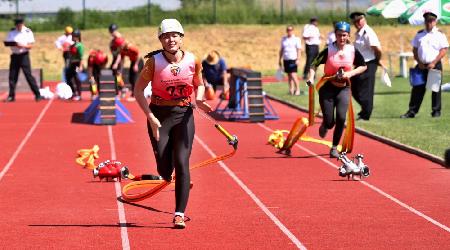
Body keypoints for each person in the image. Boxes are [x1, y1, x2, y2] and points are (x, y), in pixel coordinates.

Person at [134, 19, 212, 229]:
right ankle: (167, 174)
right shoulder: (153, 62)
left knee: (181, 162)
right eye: (166, 36)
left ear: (181, 37)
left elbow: (199, 84)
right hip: (159, 116)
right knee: (164, 168)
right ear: (160, 39)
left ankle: (179, 213)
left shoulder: (192, 60)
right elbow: (138, 91)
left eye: (174, 35)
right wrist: (150, 116)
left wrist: (201, 99)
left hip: (184, 115)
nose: (171, 39)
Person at [306, 21, 367, 158]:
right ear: (335, 35)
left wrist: (350, 74)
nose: (342, 38)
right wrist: (311, 77)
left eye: (344, 35)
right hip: (327, 88)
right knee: (330, 121)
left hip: (343, 88)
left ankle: (334, 148)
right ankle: (325, 124)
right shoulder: (328, 50)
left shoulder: (352, 50)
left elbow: (363, 66)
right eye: (339, 35)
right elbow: (313, 64)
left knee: (341, 118)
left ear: (348, 35)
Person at [401, 11, 448, 118]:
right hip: (421, 65)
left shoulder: (440, 34)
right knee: (417, 89)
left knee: (435, 89)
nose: (429, 23)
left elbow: (444, 50)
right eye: (427, 21)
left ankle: (436, 111)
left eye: (431, 21)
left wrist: (434, 62)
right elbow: (415, 50)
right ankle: (412, 111)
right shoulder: (419, 34)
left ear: (435, 22)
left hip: (434, 65)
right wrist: (419, 62)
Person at [349, 12, 382, 121]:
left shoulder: (368, 32)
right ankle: (365, 109)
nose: (357, 23)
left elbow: (377, 49)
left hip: (369, 63)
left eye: (359, 20)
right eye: (355, 22)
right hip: (360, 64)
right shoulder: (359, 33)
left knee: (366, 90)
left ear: (364, 19)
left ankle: (366, 114)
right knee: (353, 87)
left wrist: (377, 60)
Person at [4, 17, 42, 102]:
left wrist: (22, 46)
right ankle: (11, 96)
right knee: (12, 76)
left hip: (24, 55)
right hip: (14, 55)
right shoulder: (12, 32)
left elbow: (30, 46)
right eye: (16, 24)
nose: (18, 26)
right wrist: (13, 44)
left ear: (22, 23)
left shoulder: (27, 32)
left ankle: (37, 94)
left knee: (28, 75)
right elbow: (7, 42)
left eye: (19, 24)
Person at [278, 25, 302, 95]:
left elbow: (299, 50)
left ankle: (297, 89)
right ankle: (291, 89)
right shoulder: (284, 39)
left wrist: (298, 59)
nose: (289, 31)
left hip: (293, 59)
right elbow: (281, 50)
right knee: (289, 75)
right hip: (286, 59)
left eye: (291, 30)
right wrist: (279, 59)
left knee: (293, 74)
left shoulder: (296, 39)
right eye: (288, 30)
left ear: (293, 31)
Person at [108, 23, 127, 98]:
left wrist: (116, 63)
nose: (112, 32)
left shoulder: (119, 40)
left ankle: (122, 89)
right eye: (111, 31)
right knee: (114, 74)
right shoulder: (113, 40)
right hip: (115, 58)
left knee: (117, 74)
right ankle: (119, 90)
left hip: (119, 60)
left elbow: (120, 54)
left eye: (113, 31)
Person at [65, 29, 84, 101]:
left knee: (76, 78)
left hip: (77, 64)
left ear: (77, 37)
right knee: (68, 77)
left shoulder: (80, 46)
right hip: (72, 64)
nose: (72, 37)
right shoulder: (72, 45)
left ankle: (79, 95)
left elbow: (81, 57)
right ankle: (73, 92)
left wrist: (81, 66)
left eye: (73, 36)